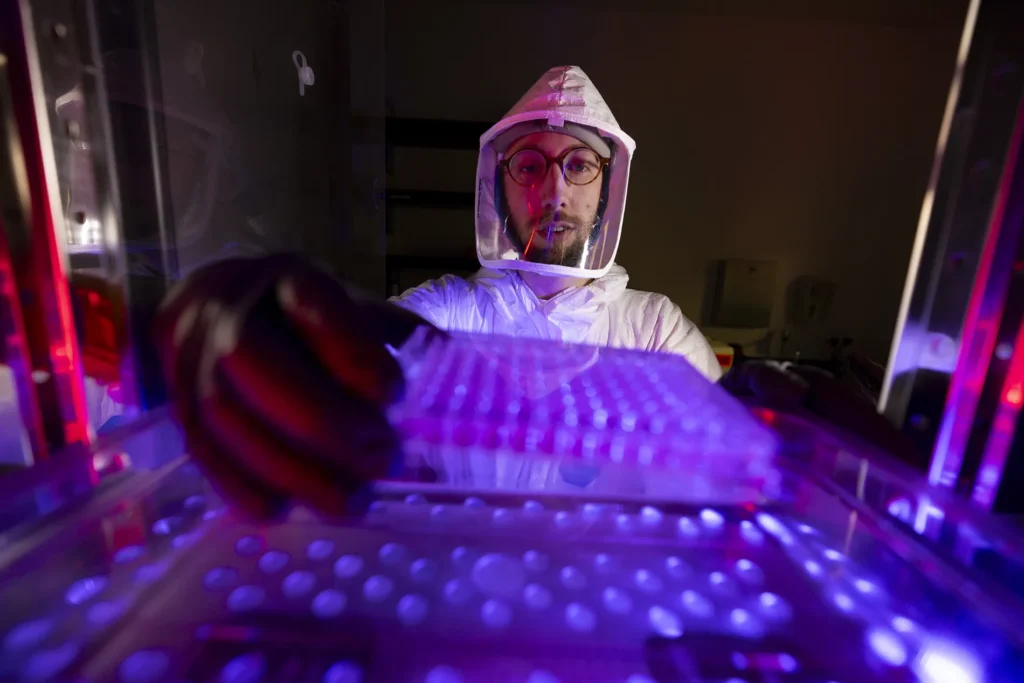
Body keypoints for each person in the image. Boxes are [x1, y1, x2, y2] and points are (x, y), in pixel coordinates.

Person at [155, 66, 911, 519]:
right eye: (529, 165)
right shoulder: (453, 306)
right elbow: (379, 346)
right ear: (501, 186)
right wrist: (277, 319)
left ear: (607, 188)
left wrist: (802, 430)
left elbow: (728, 464)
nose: (553, 187)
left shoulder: (652, 328)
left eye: (577, 164)